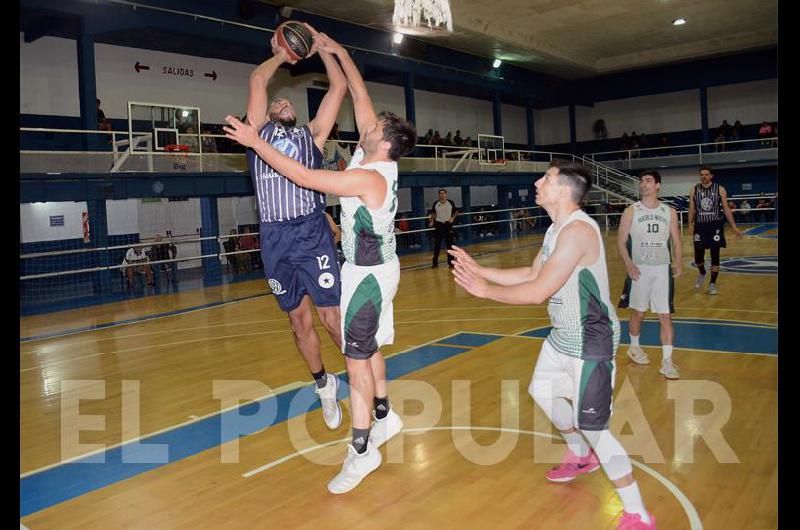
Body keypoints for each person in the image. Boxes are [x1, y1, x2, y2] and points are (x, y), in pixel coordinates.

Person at [224, 31, 416, 495]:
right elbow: (357, 92)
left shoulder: (360, 169)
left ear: (382, 142)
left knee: (353, 352)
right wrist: (330, 49)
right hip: (342, 259)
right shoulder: (371, 156)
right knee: (349, 345)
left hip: (352, 262)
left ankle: (362, 448)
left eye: (372, 128)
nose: (365, 126)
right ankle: (381, 414)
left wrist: (254, 141)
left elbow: (307, 174)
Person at [448, 161, 656, 529]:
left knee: (594, 428)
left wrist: (486, 292)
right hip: (562, 335)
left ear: (563, 190)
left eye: (546, 178)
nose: (537, 181)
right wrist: (481, 271)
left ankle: (638, 512)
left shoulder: (577, 233)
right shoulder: (555, 229)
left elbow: (539, 291)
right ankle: (580, 455)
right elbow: (532, 273)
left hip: (591, 341)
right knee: (541, 391)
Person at [240, 22, 348, 430]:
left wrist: (320, 47)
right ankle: (324, 384)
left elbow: (337, 89)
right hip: (274, 237)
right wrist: (284, 54)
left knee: (331, 318)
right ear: (266, 114)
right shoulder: (256, 136)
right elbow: (257, 78)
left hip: (309, 230)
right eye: (277, 103)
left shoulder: (311, 137)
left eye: (289, 103)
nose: (283, 102)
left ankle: (363, 377)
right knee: (297, 320)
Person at [617, 170, 682, 380]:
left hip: (662, 269)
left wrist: (678, 262)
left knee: (665, 315)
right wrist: (628, 264)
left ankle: (667, 361)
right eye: (641, 181)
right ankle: (634, 347)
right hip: (640, 269)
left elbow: (676, 241)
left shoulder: (669, 211)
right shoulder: (631, 211)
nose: (643, 184)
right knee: (638, 313)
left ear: (657, 186)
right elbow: (620, 241)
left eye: (648, 181)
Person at [688, 166, 743, 295]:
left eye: (706, 174)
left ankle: (712, 283)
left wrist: (734, 227)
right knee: (698, 255)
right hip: (700, 225)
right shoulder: (694, 189)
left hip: (715, 225)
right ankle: (702, 273)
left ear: (711, 176)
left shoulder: (719, 189)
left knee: (715, 254)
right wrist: (690, 224)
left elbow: (726, 209)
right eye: (701, 174)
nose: (704, 176)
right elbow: (692, 208)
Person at [428, 189, 458, 268]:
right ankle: (434, 263)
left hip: (448, 225)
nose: (442, 195)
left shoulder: (450, 202)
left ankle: (451, 263)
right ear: (438, 195)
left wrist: (452, 218)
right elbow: (433, 213)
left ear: (446, 194)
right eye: (440, 193)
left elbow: (456, 212)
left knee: (449, 245)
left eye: (443, 193)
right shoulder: (436, 203)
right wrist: (431, 221)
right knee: (437, 245)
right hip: (438, 225)